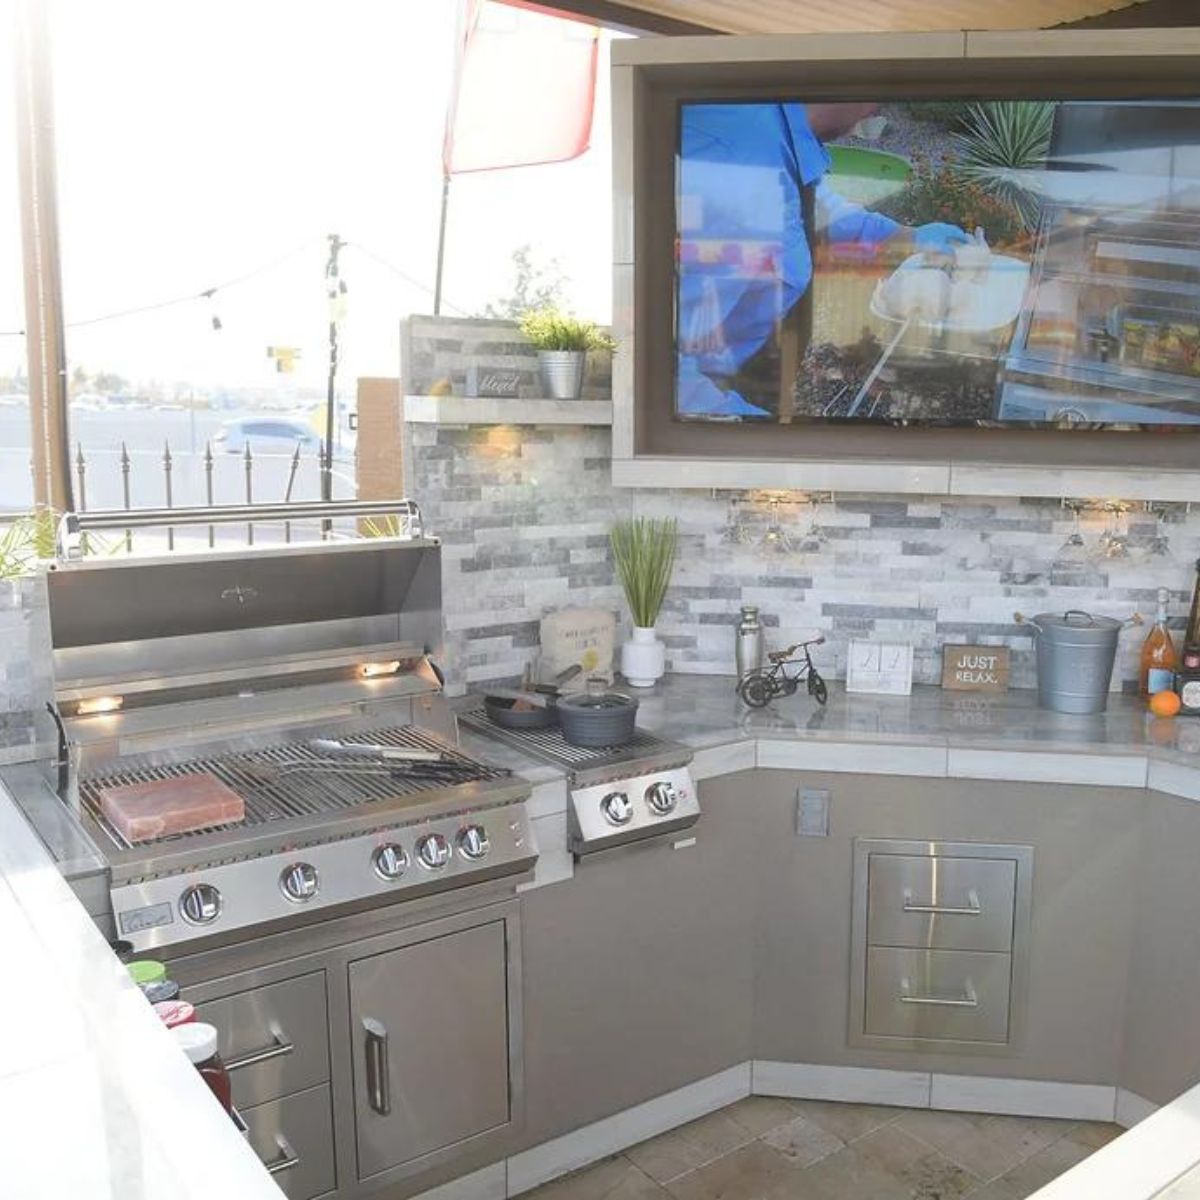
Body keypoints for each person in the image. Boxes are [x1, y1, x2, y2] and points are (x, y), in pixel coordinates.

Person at [677, 101, 972, 417]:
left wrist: (906, 237)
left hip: (744, 378)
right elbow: (658, 361)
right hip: (711, 400)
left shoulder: (772, 129)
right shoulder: (737, 175)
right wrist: (735, 428)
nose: (882, 106)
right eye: (879, 92)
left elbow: (813, 208)